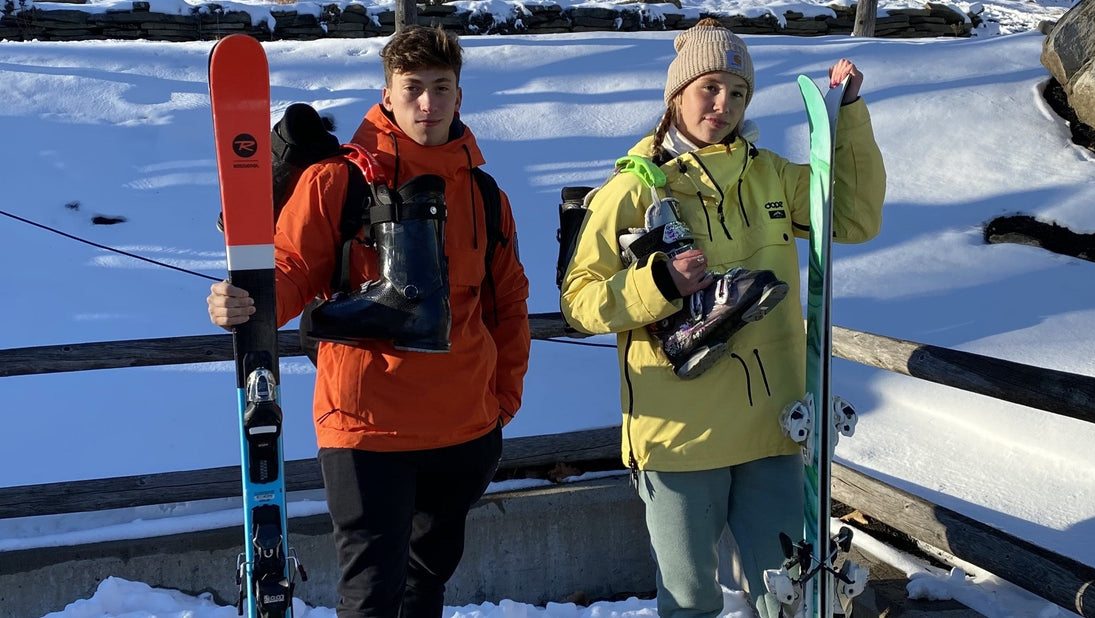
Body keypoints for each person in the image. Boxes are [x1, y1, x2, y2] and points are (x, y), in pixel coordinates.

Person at [560, 18, 886, 618]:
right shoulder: (633, 189)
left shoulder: (772, 175)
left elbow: (856, 219)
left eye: (737, 93)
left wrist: (853, 118)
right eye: (709, 87)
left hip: (773, 428)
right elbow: (579, 301)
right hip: (679, 438)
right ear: (677, 95)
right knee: (690, 602)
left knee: (789, 598)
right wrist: (659, 283)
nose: (723, 104)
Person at [207, 25, 531, 618]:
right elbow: (292, 265)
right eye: (413, 88)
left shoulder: (485, 193)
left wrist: (501, 400)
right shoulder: (337, 181)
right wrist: (251, 300)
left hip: (466, 426)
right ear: (387, 93)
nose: (428, 103)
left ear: (459, 95)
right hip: (366, 427)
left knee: (425, 588)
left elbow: (507, 303)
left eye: (441, 87)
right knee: (371, 596)